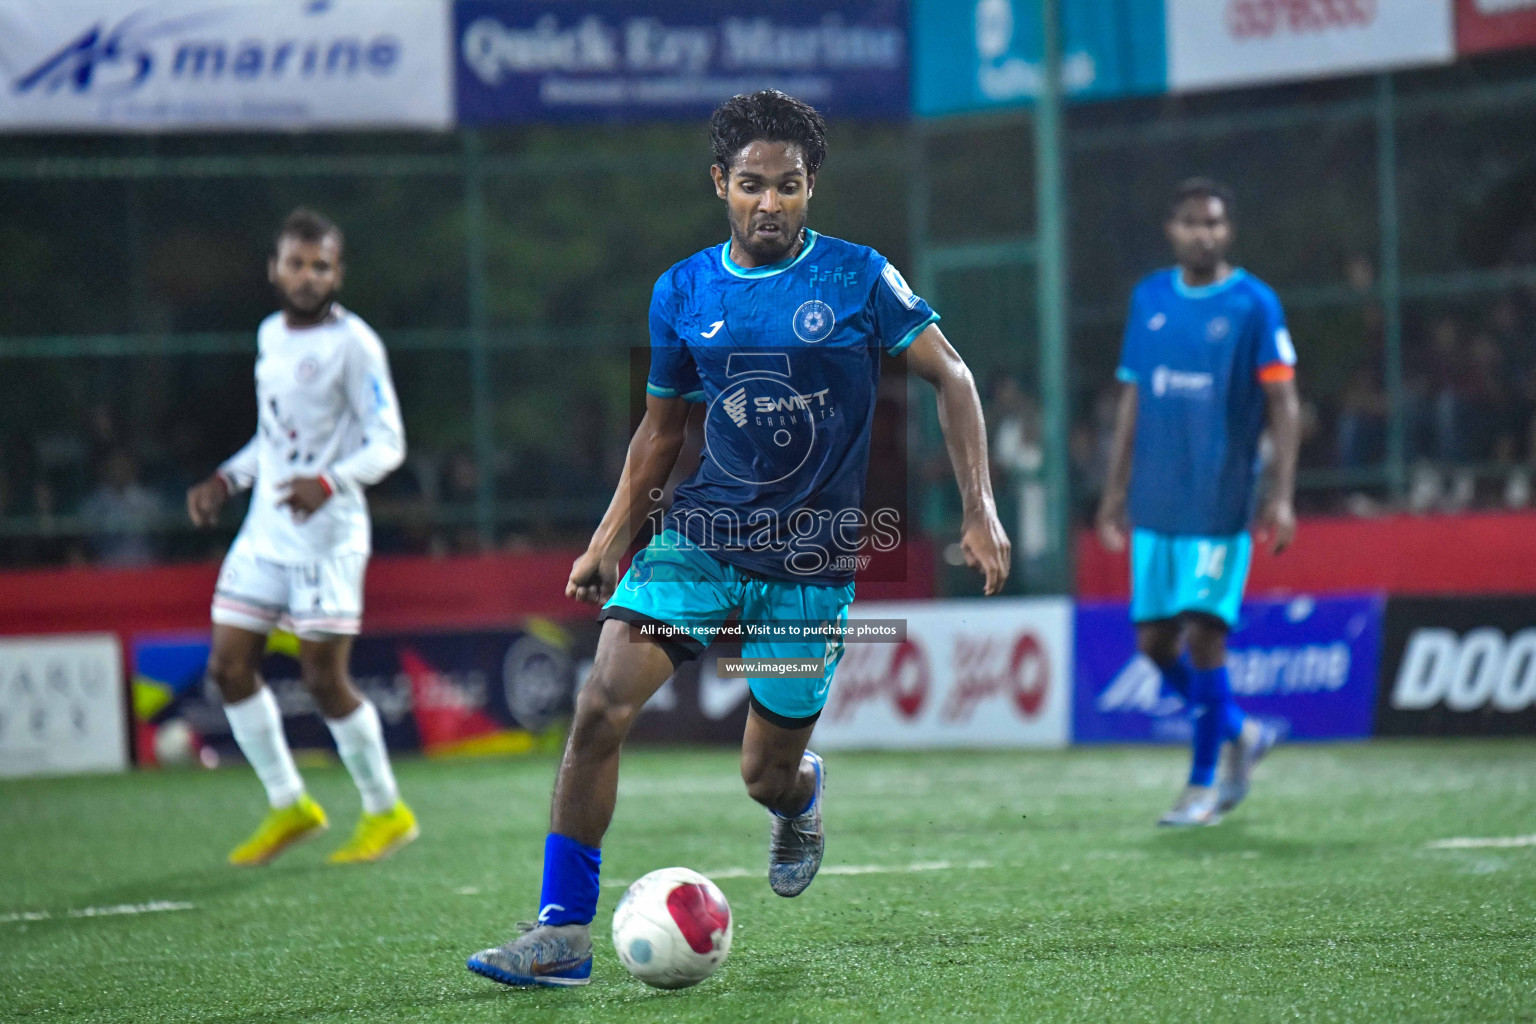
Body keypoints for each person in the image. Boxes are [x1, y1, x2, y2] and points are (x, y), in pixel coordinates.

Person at [467, 90, 1011, 989]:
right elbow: (660, 434)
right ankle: (561, 933)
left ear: (811, 189)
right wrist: (610, 538)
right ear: (721, 183)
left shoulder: (860, 277)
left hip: (809, 565)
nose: (771, 204)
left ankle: (800, 798)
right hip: (701, 538)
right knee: (601, 703)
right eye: (753, 185)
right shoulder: (682, 291)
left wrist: (979, 507)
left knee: (764, 773)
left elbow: (951, 378)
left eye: (790, 187)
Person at [184, 209, 418, 865]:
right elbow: (275, 434)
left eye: (321, 265)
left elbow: (388, 442)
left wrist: (330, 481)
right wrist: (227, 481)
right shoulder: (269, 336)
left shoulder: (355, 344)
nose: (308, 276)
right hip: (265, 531)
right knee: (228, 667)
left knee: (322, 680)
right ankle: (290, 803)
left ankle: (385, 810)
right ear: (275, 270)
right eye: (297, 263)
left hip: (328, 538)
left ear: (337, 272)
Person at [1095, 178, 1301, 827]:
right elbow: (1131, 395)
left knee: (1206, 635)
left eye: (1213, 223)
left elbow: (1284, 401)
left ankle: (1202, 784)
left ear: (1228, 230)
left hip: (1219, 500)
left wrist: (1283, 493)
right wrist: (1114, 489)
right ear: (1172, 229)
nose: (1202, 234)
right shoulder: (1150, 298)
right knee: (1155, 643)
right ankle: (1240, 730)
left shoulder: (1254, 305)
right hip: (1158, 500)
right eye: (1190, 223)